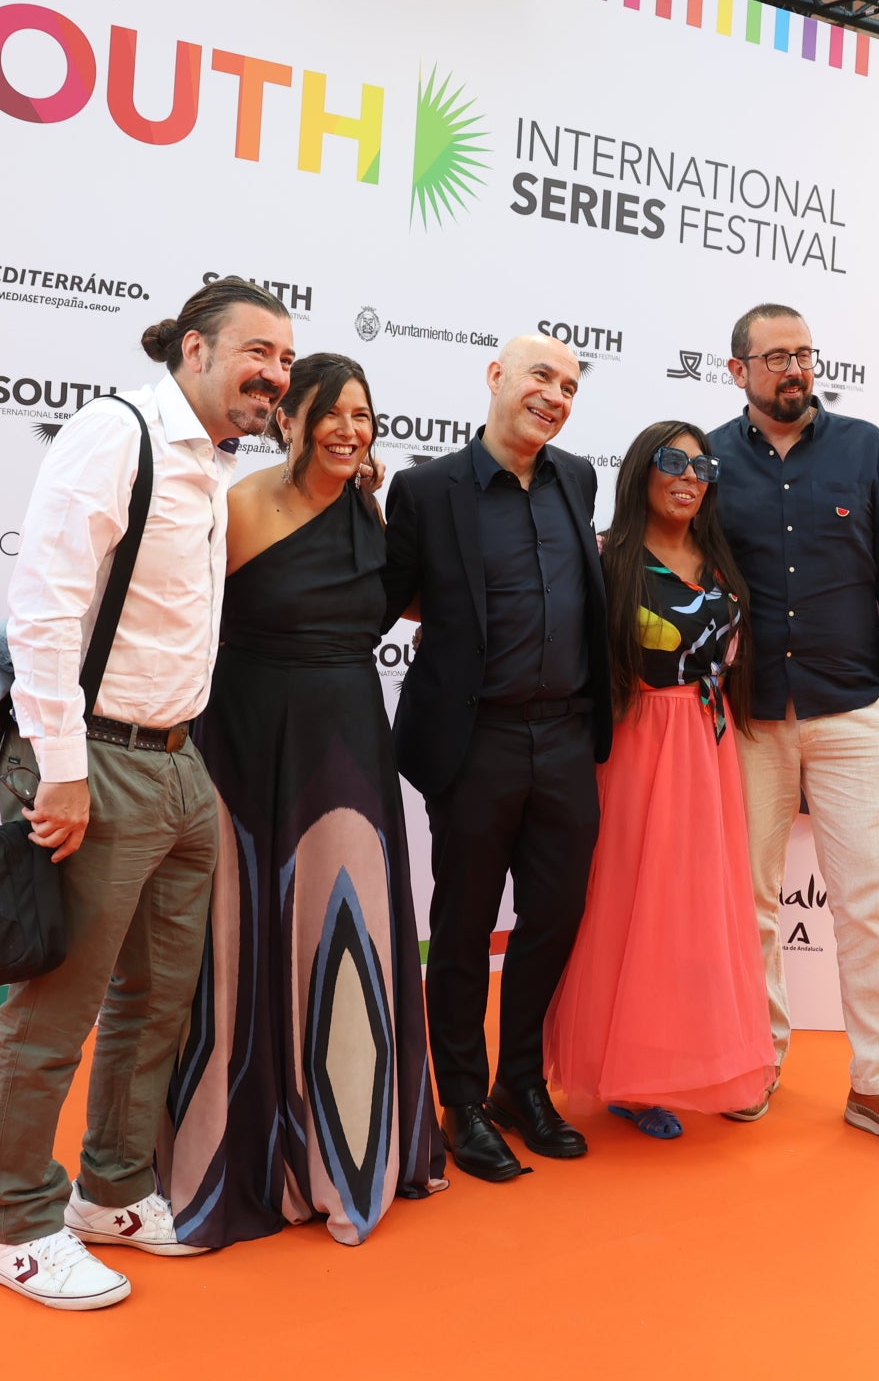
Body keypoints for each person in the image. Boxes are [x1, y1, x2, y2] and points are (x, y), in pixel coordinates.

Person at [0, 277, 294, 1310]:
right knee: (57, 1007)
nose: (274, 376)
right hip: (96, 761)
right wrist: (62, 768)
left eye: (286, 361)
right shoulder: (117, 436)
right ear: (194, 349)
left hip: (177, 759)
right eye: (257, 353)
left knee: (158, 997)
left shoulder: (212, 465)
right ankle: (18, 1225)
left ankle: (112, 1191)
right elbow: (43, 608)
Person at [163, 353, 446, 1250]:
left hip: (350, 744)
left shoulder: (375, 513)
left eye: (364, 416)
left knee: (346, 925)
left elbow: (437, 609)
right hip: (245, 739)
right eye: (332, 411)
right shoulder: (238, 504)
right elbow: (176, 612)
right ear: (292, 418)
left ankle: (350, 1148)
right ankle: (239, 1153)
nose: (350, 430)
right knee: (242, 936)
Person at [710, 303, 879, 1159]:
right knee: (747, 905)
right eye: (776, 357)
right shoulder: (706, 461)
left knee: (873, 904)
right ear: (736, 369)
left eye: (804, 354)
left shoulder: (866, 450)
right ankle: (755, 1062)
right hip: (750, 719)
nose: (795, 370)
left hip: (853, 712)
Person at [380, 334, 611, 1182]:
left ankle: (521, 1085)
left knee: (554, 918)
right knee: (467, 925)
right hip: (474, 743)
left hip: (565, 738)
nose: (555, 395)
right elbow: (387, 597)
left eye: (571, 386)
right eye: (542, 377)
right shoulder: (426, 489)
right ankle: (463, 1103)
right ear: (496, 378)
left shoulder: (578, 478)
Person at [545, 422, 778, 1139]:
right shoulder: (610, 558)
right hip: (638, 747)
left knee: (693, 913)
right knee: (630, 907)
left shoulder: (719, 557)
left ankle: (684, 1060)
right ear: (643, 471)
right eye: (673, 461)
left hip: (707, 752)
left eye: (702, 464)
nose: (689, 474)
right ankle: (630, 1076)